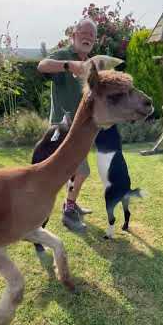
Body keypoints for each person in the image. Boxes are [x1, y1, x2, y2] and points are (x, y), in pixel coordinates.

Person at [37, 18, 97, 232]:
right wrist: (68, 65)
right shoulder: (64, 55)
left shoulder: (91, 63)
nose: (87, 37)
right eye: (84, 33)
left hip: (81, 129)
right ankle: (68, 211)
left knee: (76, 171)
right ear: (74, 35)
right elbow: (42, 65)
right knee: (80, 171)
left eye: (92, 35)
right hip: (62, 127)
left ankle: (69, 203)